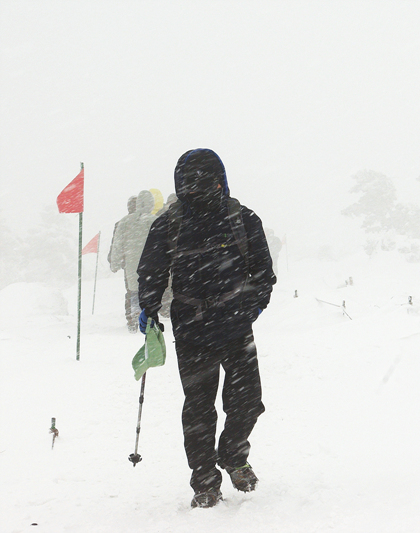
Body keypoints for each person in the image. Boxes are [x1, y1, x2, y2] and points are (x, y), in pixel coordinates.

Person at [137, 148, 276, 509]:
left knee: (247, 402)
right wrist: (149, 307)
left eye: (205, 179)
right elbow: (150, 270)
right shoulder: (169, 224)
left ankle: (233, 455)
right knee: (199, 408)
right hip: (192, 326)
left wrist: (256, 302)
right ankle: (205, 482)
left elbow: (263, 269)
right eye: (189, 181)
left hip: (235, 323)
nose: (197, 188)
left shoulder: (241, 219)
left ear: (220, 179)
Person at [108, 191, 156, 332]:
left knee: (134, 291)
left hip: (132, 264)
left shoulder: (124, 222)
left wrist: (115, 263)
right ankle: (148, 319)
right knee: (150, 291)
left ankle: (135, 313)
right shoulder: (155, 220)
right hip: (151, 263)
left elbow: (117, 245)